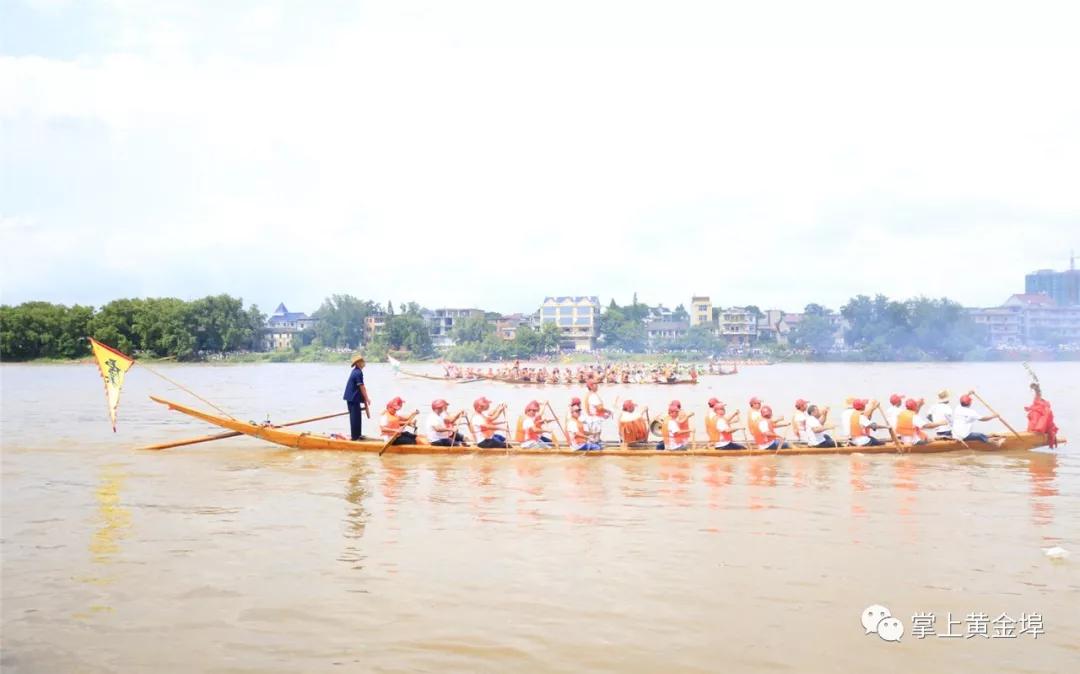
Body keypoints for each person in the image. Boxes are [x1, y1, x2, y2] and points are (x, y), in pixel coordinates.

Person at [342, 354, 372, 441]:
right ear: (358, 363)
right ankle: (355, 438)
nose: (364, 363)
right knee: (355, 417)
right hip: (352, 398)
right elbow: (362, 387)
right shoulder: (358, 372)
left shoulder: (356, 371)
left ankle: (358, 435)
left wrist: (364, 399)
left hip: (354, 398)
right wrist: (367, 398)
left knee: (357, 417)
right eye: (362, 362)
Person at [1025, 383, 1058, 448]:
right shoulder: (1040, 404)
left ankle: (1037, 431)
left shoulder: (1042, 405)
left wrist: (1039, 429)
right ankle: (1037, 431)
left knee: (1038, 411)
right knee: (1036, 411)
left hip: (1040, 427)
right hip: (1039, 426)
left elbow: (1044, 419)